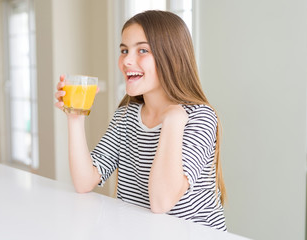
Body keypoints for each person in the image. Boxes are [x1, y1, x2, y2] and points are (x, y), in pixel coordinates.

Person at [55, 10, 227, 231]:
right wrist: (75, 118)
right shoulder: (126, 116)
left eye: (142, 50)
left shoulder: (200, 118)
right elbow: (84, 180)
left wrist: (173, 120)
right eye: (124, 50)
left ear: (172, 59)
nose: (127, 60)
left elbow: (161, 202)